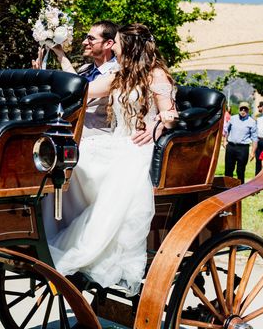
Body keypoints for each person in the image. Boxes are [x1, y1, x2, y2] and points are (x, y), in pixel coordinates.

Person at [48, 23, 178, 294]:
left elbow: (170, 114)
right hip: (116, 140)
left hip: (141, 144)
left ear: (130, 46)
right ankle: (60, 224)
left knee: (116, 172)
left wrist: (157, 128)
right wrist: (53, 65)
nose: (114, 47)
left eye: (117, 42)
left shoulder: (156, 76)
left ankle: (94, 250)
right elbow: (81, 90)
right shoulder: (120, 76)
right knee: (74, 160)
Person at [35, 21, 119, 137]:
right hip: (68, 132)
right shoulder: (84, 69)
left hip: (96, 138)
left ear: (108, 44)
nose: (84, 42)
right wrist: (42, 76)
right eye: (86, 37)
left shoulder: (118, 73)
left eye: (91, 39)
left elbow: (77, 90)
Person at [223, 101, 257, 183]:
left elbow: (254, 138)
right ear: (239, 109)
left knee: (240, 171)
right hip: (230, 147)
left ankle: (240, 190)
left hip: (243, 149)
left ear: (248, 110)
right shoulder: (233, 118)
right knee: (228, 169)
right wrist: (224, 141)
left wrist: (253, 152)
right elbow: (227, 130)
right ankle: (227, 189)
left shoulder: (252, 122)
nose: (243, 111)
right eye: (241, 109)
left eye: (245, 109)